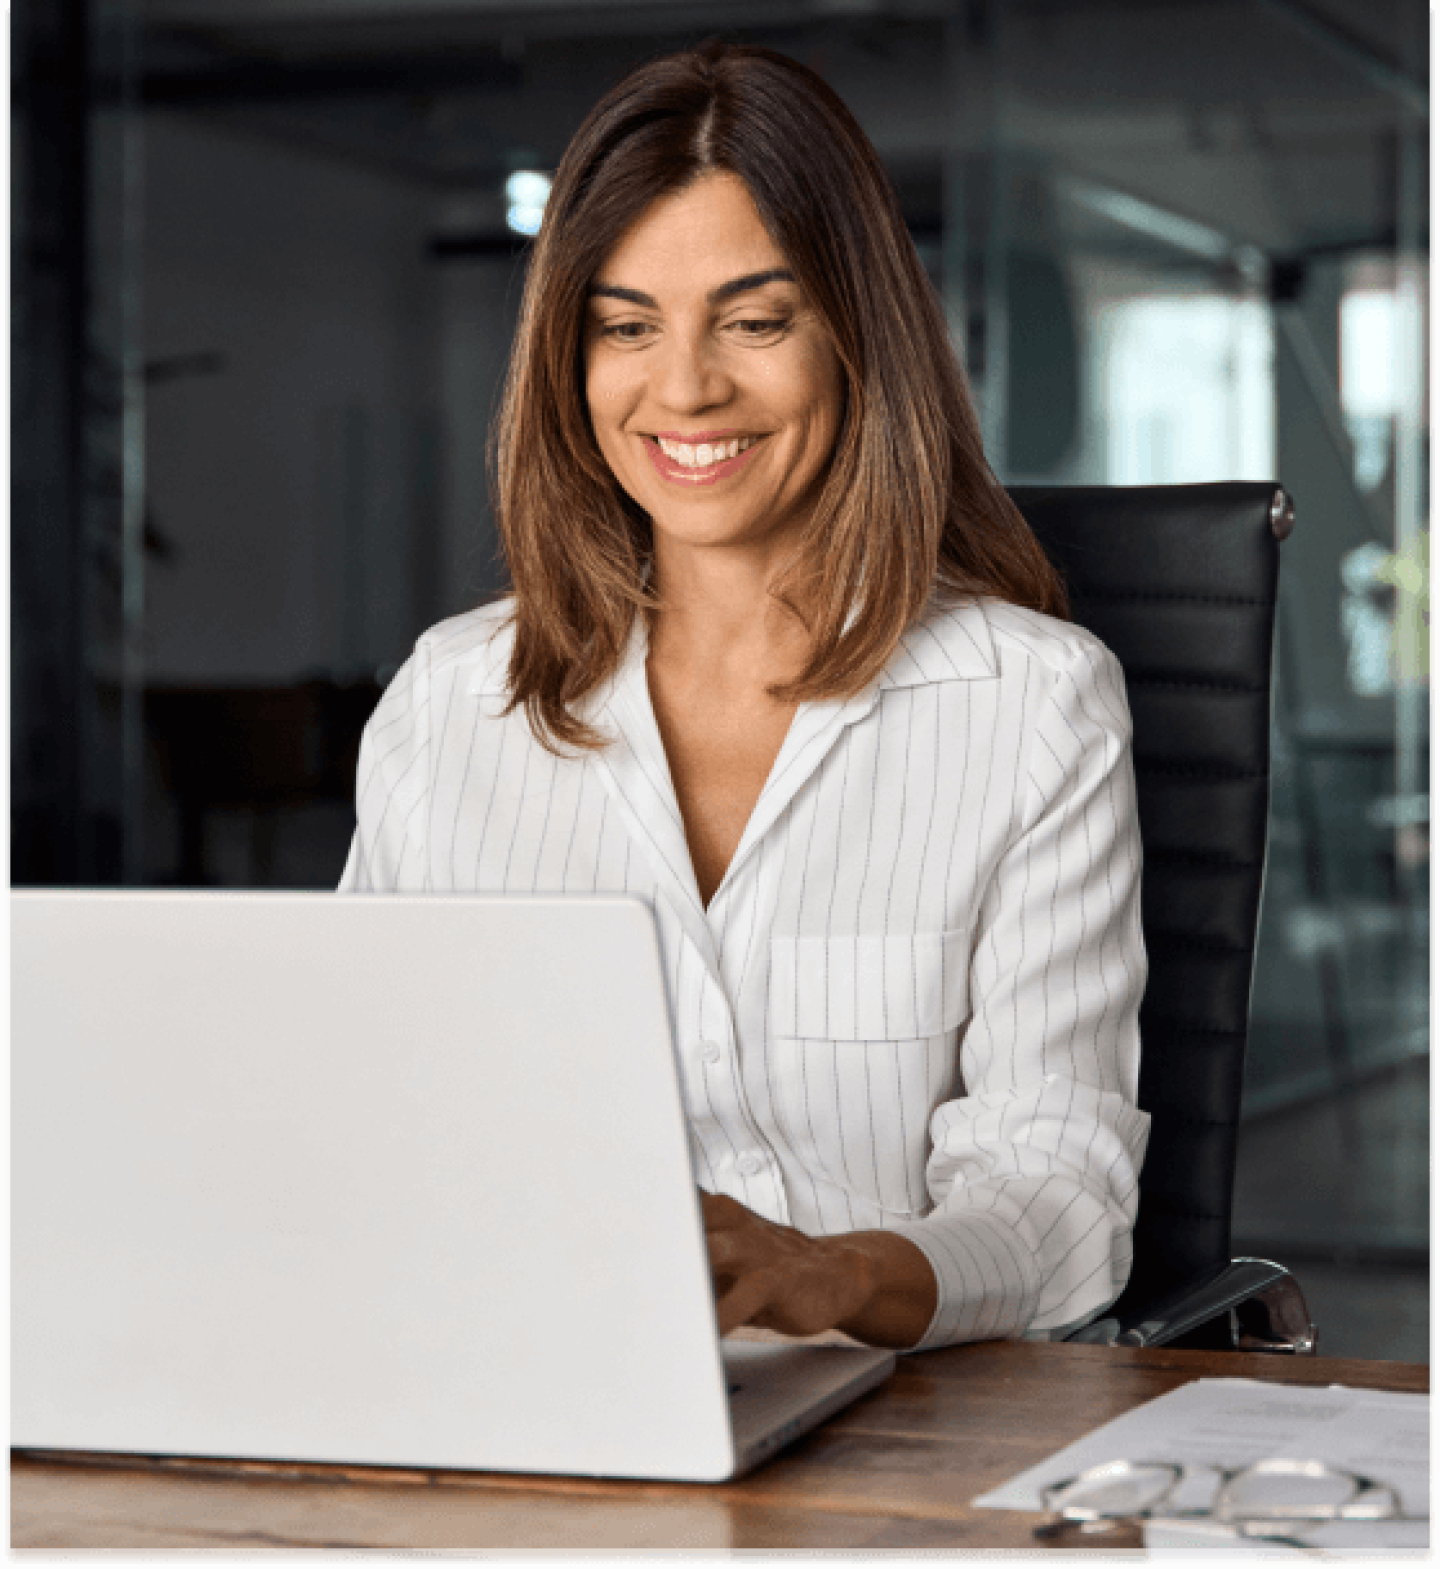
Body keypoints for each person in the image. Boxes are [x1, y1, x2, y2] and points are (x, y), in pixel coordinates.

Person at [340, 40, 1149, 1353]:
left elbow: (1060, 1203)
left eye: (755, 320)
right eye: (625, 325)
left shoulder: (1032, 707)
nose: (686, 386)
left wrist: (839, 1277)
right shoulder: (450, 705)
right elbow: (360, 1123)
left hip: (900, 1432)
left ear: (854, 338)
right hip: (536, 1397)